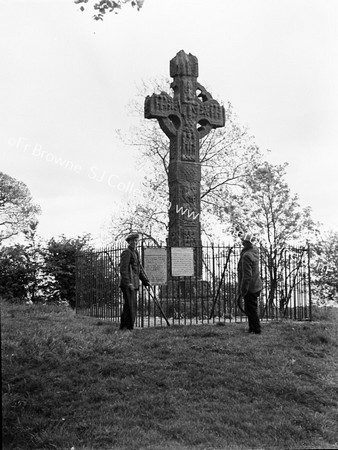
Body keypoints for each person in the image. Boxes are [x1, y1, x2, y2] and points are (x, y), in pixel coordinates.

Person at [119, 232, 150, 330]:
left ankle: (124, 327)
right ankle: (128, 327)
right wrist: (128, 283)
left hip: (135, 283)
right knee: (130, 306)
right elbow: (123, 270)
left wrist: (145, 281)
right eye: (134, 241)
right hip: (128, 284)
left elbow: (138, 269)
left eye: (137, 241)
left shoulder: (136, 253)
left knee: (129, 306)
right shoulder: (127, 252)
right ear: (129, 242)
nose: (135, 243)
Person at [237, 232, 263, 334]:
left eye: (243, 241)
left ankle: (256, 329)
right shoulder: (255, 250)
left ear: (246, 243)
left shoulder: (246, 256)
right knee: (251, 308)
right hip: (257, 284)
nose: (242, 242)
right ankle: (252, 328)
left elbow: (247, 276)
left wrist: (243, 289)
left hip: (250, 287)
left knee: (251, 310)